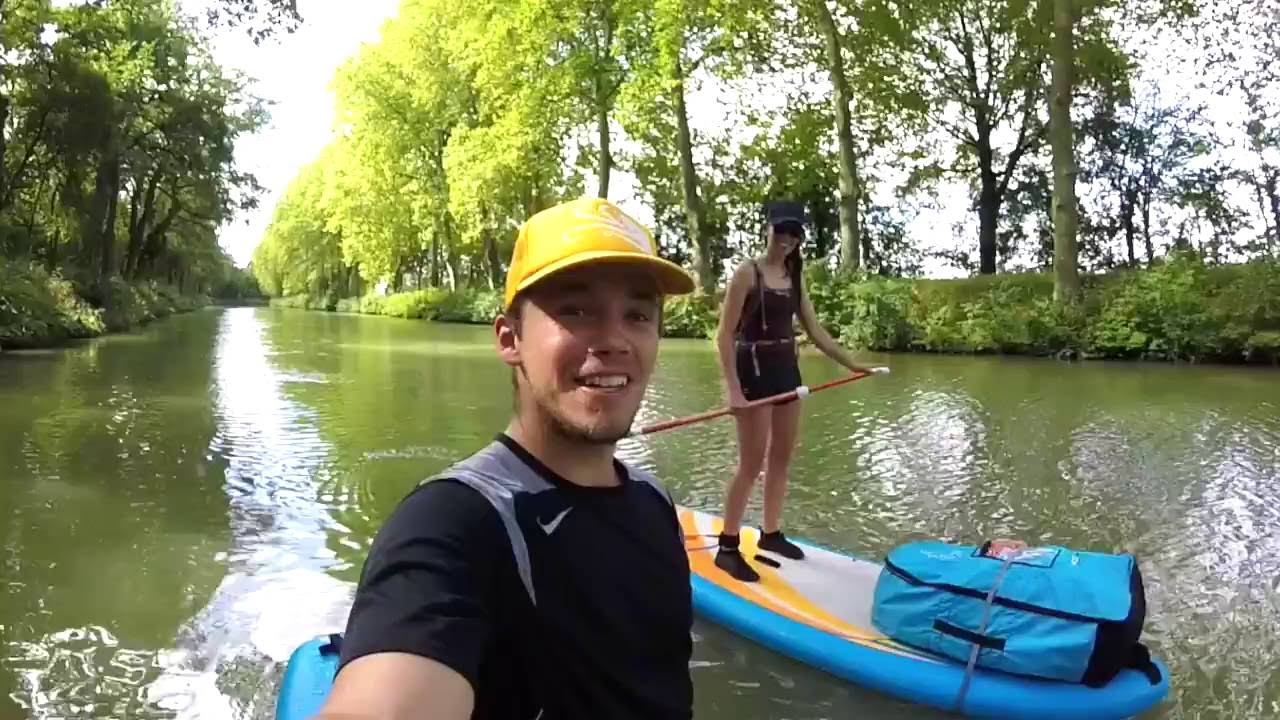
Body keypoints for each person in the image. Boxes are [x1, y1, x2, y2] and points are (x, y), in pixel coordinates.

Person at [315, 197, 698, 720]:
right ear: (509, 338)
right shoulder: (450, 527)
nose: (614, 338)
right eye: (576, 310)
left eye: (638, 314)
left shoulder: (656, 504)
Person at [713, 200, 880, 583]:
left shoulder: (794, 276)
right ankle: (727, 546)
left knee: (782, 457)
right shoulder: (747, 273)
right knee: (751, 464)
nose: (787, 239)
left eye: (795, 234)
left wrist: (852, 363)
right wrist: (733, 392)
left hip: (786, 369)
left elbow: (815, 329)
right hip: (752, 370)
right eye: (781, 231)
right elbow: (723, 335)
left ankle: (770, 535)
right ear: (768, 229)